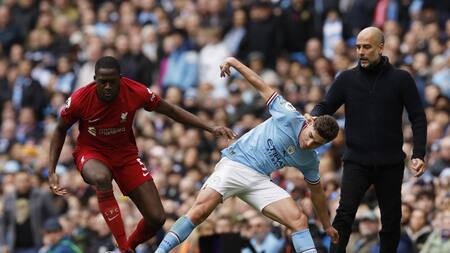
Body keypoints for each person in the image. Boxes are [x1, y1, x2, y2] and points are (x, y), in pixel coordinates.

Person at [48, 56, 235, 253]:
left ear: (121, 78)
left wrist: (209, 127)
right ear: (95, 79)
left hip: (125, 155)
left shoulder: (135, 91)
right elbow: (60, 130)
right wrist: (51, 170)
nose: (108, 86)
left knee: (157, 218)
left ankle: (128, 247)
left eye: (112, 81)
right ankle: (122, 248)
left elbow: (170, 110)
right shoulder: (80, 99)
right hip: (92, 152)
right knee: (102, 178)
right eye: (103, 82)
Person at [155, 56, 340, 253]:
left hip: (259, 180)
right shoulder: (288, 116)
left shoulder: (310, 159)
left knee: (298, 220)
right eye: (311, 136)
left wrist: (327, 225)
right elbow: (260, 85)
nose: (309, 143)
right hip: (235, 163)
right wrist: (233, 62)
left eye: (317, 144)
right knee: (199, 212)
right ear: (310, 122)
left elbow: (317, 193)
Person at [309, 27, 427, 253]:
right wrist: (313, 115)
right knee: (344, 215)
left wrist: (419, 153)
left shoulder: (401, 79)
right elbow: (326, 106)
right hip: (356, 161)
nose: (361, 52)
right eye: (358, 47)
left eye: (367, 47)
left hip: (390, 162)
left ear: (381, 47)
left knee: (392, 221)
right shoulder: (346, 79)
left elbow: (418, 117)